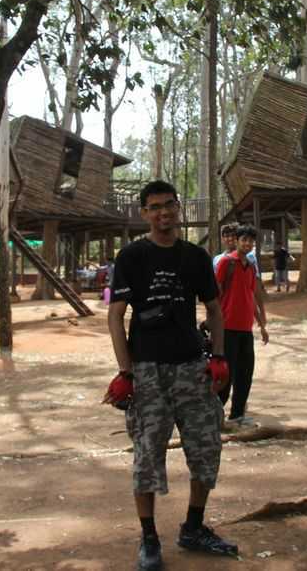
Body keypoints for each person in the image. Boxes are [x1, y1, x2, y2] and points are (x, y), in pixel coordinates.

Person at [104, 180, 237, 571]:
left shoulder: (196, 257)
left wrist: (218, 356)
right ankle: (148, 538)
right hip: (147, 372)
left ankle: (193, 527)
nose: (163, 213)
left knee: (206, 447)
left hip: (192, 369)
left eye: (169, 205)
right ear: (144, 213)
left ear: (178, 208)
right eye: (155, 207)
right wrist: (125, 371)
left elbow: (214, 308)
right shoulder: (130, 257)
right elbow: (115, 315)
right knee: (147, 455)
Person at [215, 224, 269, 425]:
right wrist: (214, 323)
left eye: (250, 241)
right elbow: (216, 294)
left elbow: (250, 296)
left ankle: (237, 415)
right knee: (225, 374)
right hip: (227, 327)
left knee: (245, 373)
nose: (247, 244)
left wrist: (261, 324)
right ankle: (215, 414)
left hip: (246, 329)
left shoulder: (251, 267)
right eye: (244, 240)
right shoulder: (226, 263)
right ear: (236, 241)